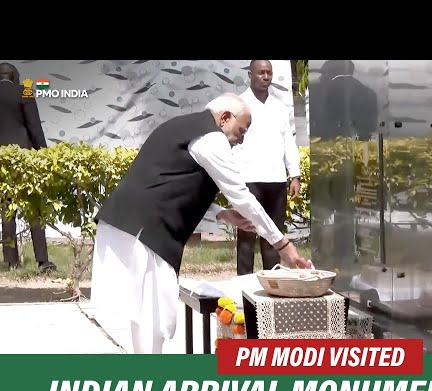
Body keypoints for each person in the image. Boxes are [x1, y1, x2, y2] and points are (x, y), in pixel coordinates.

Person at [91, 92, 311, 354]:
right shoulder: (211, 138)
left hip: (130, 226)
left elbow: (174, 185)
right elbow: (241, 196)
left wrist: (222, 213)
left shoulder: (185, 126)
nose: (240, 140)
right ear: (224, 118)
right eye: (241, 130)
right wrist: (282, 243)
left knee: (150, 317)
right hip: (144, 231)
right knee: (154, 318)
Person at [227, 60, 302, 275]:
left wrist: (294, 175)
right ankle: (243, 289)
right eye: (261, 73)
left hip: (276, 181)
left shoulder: (279, 107)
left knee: (273, 237)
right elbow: (230, 141)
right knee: (246, 237)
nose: (266, 76)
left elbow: (288, 141)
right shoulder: (239, 105)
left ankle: (273, 284)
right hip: (248, 180)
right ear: (250, 75)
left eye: (269, 72)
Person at [0, 62, 57, 273]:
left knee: (7, 210)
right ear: (14, 75)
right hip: (24, 158)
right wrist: (44, 153)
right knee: (35, 209)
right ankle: (43, 261)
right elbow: (34, 126)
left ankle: (11, 262)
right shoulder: (23, 91)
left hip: (2, 161)